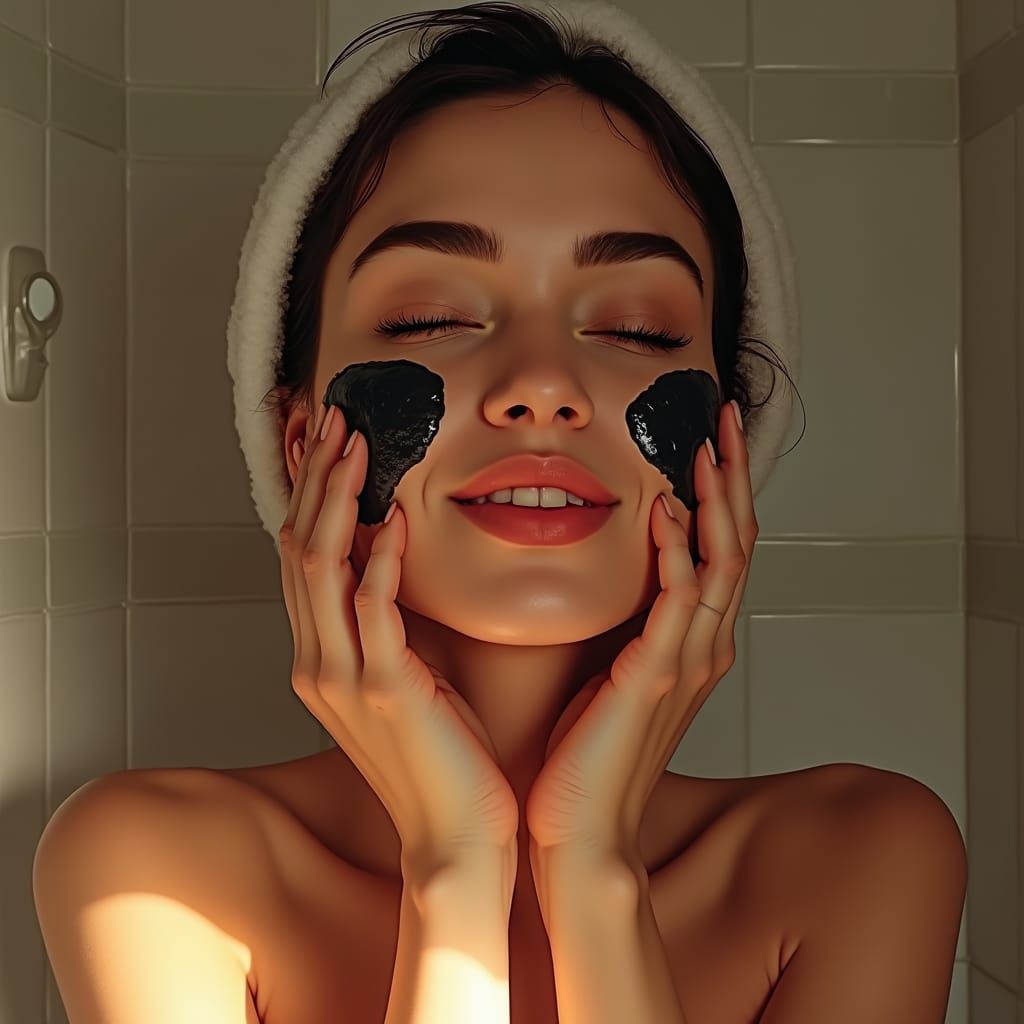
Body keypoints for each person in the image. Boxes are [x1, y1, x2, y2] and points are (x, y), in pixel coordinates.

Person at [33, 4, 966, 1023]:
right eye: (429, 317)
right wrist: (454, 867)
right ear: (300, 444)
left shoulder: (863, 860)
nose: (541, 383)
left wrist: (594, 869)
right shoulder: (153, 873)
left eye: (634, 326)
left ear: (728, 445)